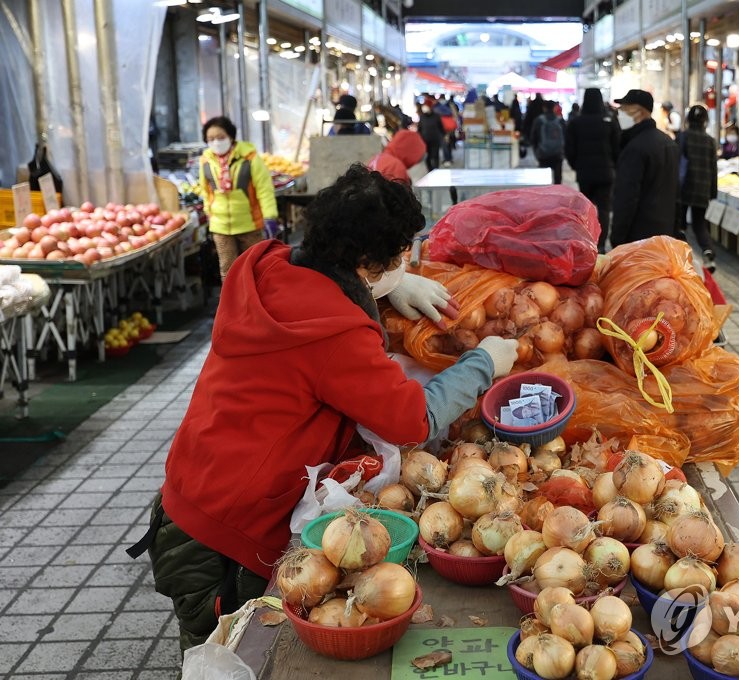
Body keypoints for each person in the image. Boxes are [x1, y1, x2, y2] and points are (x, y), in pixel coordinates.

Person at [131, 165, 520, 651]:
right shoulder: (334, 334)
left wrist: (383, 288)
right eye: (400, 256)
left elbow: (325, 295)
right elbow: (412, 420)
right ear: (364, 260)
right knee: (225, 653)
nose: (407, 261)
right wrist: (484, 362)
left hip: (190, 491)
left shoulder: (263, 263)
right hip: (221, 538)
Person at [198, 116, 277, 282]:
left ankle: (258, 301)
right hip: (220, 226)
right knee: (228, 270)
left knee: (256, 266)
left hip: (249, 223)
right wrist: (209, 212)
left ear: (231, 136)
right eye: (211, 139)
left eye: (220, 137)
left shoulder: (249, 158)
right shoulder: (205, 161)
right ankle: (233, 304)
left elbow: (264, 188)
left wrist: (270, 216)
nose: (216, 142)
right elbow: (205, 191)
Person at [610, 89, 680, 247]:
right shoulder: (668, 143)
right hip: (665, 234)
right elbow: (677, 193)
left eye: (623, 110)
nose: (619, 114)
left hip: (638, 236)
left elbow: (626, 197)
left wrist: (617, 238)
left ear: (639, 113)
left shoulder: (634, 148)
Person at [565, 88, 619, 252]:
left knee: (585, 208)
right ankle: (601, 244)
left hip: (585, 173)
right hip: (606, 173)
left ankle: (586, 242)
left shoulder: (575, 122)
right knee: (604, 208)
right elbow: (617, 148)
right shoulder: (609, 121)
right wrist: (613, 165)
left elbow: (569, 149)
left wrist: (576, 165)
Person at [677, 105, 720, 272]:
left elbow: (677, 162)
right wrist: (712, 192)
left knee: (679, 223)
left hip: (684, 187)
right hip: (702, 189)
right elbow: (713, 169)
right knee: (699, 224)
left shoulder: (683, 137)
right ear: (705, 121)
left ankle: (683, 257)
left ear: (688, 120)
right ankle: (708, 252)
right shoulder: (710, 141)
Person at [530, 100, 566, 184]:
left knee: (543, 182)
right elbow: (566, 137)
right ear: (554, 108)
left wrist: (537, 152)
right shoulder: (560, 121)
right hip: (558, 154)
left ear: (544, 108)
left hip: (543, 154)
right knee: (557, 181)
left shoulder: (539, 120)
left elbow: (533, 138)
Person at [417, 101, 446, 171]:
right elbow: (419, 129)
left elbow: (441, 127)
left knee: (435, 155)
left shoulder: (436, 116)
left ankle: (436, 170)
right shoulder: (422, 117)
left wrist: (443, 135)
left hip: (435, 139)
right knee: (427, 156)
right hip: (425, 140)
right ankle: (430, 170)